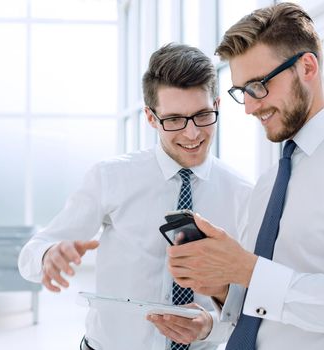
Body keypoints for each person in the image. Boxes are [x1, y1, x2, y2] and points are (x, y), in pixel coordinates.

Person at [152, 3, 324, 350]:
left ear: (307, 67)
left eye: (258, 86)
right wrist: (223, 289)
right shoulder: (268, 183)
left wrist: (248, 270)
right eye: (242, 92)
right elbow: (268, 312)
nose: (250, 107)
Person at [18, 43, 252, 350]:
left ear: (218, 105)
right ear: (151, 118)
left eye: (202, 115)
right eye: (174, 120)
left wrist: (211, 326)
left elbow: (249, 301)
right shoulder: (110, 177)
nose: (192, 133)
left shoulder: (242, 194)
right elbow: (30, 254)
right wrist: (49, 256)